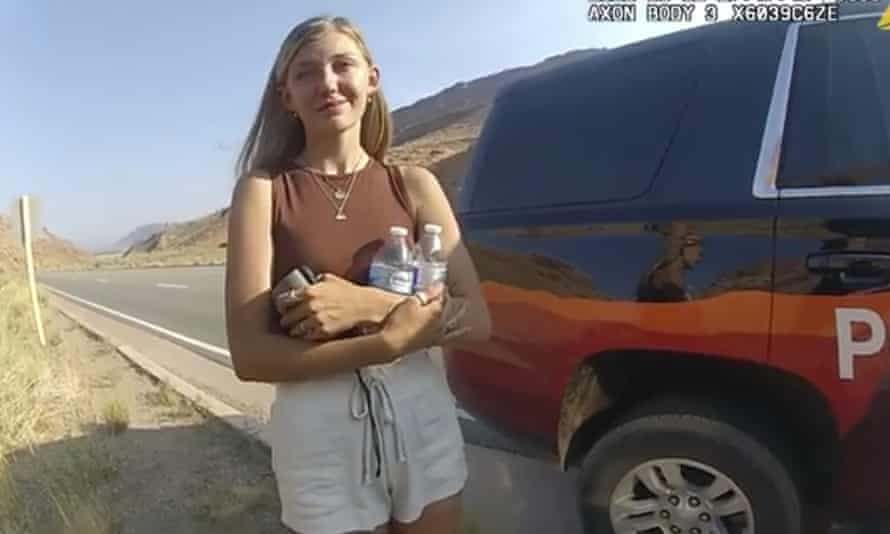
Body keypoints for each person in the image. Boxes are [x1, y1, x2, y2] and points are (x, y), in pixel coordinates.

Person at [223, 14, 492, 534]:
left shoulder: (414, 185)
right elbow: (250, 356)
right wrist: (383, 343)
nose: (326, 82)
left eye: (342, 65)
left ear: (371, 78)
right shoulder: (263, 190)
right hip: (319, 432)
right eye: (305, 72)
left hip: (423, 415)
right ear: (286, 96)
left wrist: (371, 307)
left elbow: (477, 318)